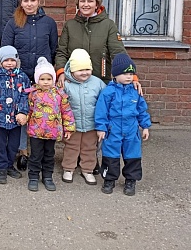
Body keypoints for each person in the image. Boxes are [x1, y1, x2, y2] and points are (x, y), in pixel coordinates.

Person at [1, 0, 58, 172]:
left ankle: (38, 153)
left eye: (33, 0)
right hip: (20, 76)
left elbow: (53, 48)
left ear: (39, 2)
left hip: (41, 78)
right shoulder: (13, 23)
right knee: (22, 112)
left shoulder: (49, 23)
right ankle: (22, 151)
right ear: (21, 3)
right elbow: (6, 49)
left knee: (40, 113)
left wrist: (47, 74)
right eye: (26, 0)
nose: (29, 4)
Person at [55, 0, 140, 88]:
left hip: (101, 81)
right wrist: (61, 72)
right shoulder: (70, 25)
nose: (85, 4)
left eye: (90, 1)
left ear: (97, 5)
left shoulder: (108, 25)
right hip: (73, 82)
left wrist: (132, 76)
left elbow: (118, 53)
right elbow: (62, 53)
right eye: (82, 1)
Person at [95, 54, 151, 196]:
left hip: (131, 129)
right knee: (111, 155)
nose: (128, 77)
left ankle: (131, 180)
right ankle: (109, 179)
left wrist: (145, 126)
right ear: (115, 74)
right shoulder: (108, 92)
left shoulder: (135, 91)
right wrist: (101, 128)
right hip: (113, 129)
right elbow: (101, 111)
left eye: (131, 74)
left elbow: (142, 110)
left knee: (132, 155)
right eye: (125, 73)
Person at [0, 46, 30, 185]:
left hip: (15, 119)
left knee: (14, 145)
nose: (9, 63)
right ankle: (2, 168)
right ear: (0, 61)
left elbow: (25, 96)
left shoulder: (22, 77)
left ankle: (9, 165)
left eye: (12, 60)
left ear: (17, 61)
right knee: (0, 145)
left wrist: (23, 112)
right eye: (6, 60)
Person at [26, 57, 76, 192]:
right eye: (42, 79)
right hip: (36, 132)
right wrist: (24, 119)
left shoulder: (59, 94)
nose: (46, 82)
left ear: (53, 79)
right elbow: (28, 110)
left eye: (49, 79)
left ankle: (47, 176)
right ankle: (33, 177)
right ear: (37, 79)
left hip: (52, 131)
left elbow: (66, 111)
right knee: (35, 156)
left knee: (49, 156)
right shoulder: (33, 94)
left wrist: (69, 128)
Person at [61, 49, 106, 185]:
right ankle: (68, 168)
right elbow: (61, 104)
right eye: (80, 70)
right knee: (71, 147)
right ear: (72, 70)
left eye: (87, 69)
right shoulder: (66, 84)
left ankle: (88, 170)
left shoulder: (97, 83)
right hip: (72, 124)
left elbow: (105, 101)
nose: (84, 73)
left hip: (91, 124)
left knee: (89, 147)